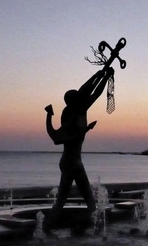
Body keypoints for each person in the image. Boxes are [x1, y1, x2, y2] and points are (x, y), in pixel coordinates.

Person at [43, 66, 115, 233]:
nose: (81, 97)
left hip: (76, 162)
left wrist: (103, 76)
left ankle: (93, 227)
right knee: (64, 199)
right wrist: (85, 130)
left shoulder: (81, 111)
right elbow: (60, 138)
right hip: (69, 163)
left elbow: (93, 92)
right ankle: (46, 227)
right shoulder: (70, 116)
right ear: (71, 101)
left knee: (87, 198)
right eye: (76, 96)